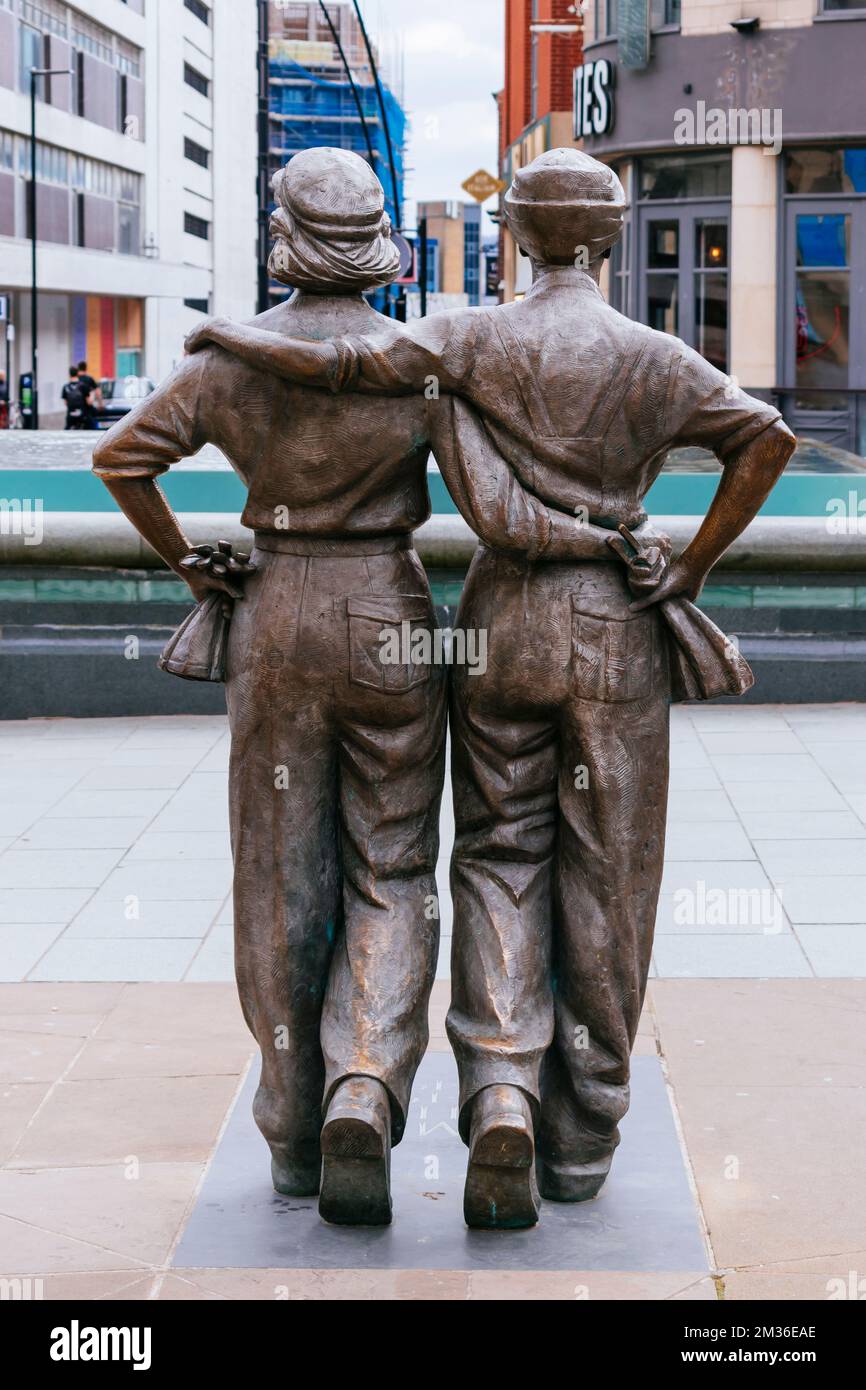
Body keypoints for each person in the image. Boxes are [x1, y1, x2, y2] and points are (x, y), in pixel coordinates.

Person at [185, 148, 796, 1231]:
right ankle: (573, 1137)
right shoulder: (655, 359)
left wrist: (224, 332)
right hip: (611, 632)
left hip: (499, 620)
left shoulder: (470, 338)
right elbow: (764, 438)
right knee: (612, 878)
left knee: (497, 854)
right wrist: (690, 563)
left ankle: (498, 1083)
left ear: (513, 235)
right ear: (605, 238)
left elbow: (347, 368)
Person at [91, 147, 602, 1228]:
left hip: (275, 615)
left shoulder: (230, 363)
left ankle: (292, 1121)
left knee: (278, 873)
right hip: (388, 614)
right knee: (393, 864)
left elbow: (121, 461)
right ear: (378, 244)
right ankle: (364, 1079)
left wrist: (192, 561)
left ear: (282, 236)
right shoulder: (413, 360)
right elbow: (493, 507)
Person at [77, 361, 101, 429]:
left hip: (76, 407)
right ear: (86, 368)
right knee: (93, 423)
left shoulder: (76, 379)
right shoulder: (89, 379)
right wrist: (100, 404)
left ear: (78, 369)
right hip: (87, 407)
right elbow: (98, 392)